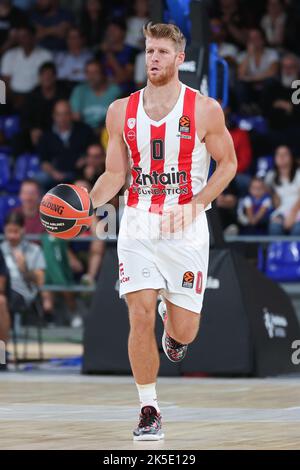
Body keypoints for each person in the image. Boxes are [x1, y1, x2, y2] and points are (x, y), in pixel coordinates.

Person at [90, 22, 237, 441]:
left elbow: (227, 164)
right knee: (138, 315)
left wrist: (196, 203)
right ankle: (149, 408)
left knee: (185, 330)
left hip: (186, 224)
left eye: (160, 52)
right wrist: (89, 202)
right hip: (137, 221)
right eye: (149, 50)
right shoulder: (120, 110)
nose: (152, 58)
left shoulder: (205, 109)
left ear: (178, 59)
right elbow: (114, 173)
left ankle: (174, 330)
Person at [36, 99, 95, 189]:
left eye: (66, 114)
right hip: (55, 174)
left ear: (71, 114)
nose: (62, 118)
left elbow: (94, 150)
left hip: (78, 173)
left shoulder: (84, 131)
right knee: (36, 180)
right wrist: (54, 173)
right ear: (54, 116)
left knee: (89, 176)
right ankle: (44, 203)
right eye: (59, 114)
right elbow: (44, 161)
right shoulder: (46, 136)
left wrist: (86, 159)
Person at [1, 212, 46, 316]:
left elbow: (40, 280)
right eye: (9, 231)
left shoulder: (34, 250)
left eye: (16, 231)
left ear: (23, 230)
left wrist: (24, 268)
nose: (12, 236)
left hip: (22, 293)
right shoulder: (1, 249)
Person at [0, 24, 53, 109]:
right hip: (12, 96)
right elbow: (5, 81)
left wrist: (29, 98)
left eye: (25, 36)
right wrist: (13, 98)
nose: (22, 39)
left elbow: (46, 79)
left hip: (36, 96)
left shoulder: (45, 55)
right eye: (19, 37)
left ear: (33, 37)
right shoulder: (9, 55)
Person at [70, 59, 121, 131]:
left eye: (95, 72)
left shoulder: (114, 91)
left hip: (108, 132)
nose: (91, 76)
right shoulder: (79, 91)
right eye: (88, 73)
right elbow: (76, 119)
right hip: (85, 133)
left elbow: (119, 119)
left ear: (103, 74)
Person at [265, 145, 300, 235]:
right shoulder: (271, 176)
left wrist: (292, 215)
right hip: (282, 211)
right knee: (274, 227)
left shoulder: (298, 173)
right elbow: (269, 196)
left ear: (291, 157)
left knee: (297, 229)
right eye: (278, 154)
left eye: (285, 154)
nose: (281, 157)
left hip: (297, 210)